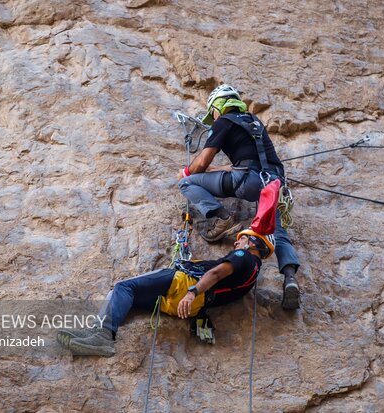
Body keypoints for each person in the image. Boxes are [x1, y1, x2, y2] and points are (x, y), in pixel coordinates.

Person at [177, 84, 301, 309]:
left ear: (218, 107)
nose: (213, 117)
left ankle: (221, 217)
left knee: (187, 183)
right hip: (273, 183)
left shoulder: (223, 121)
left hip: (247, 181)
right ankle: (290, 278)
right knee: (277, 229)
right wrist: (220, 169)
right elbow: (243, 162)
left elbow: (202, 162)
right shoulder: (254, 122)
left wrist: (187, 171)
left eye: (212, 112)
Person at [57, 229, 273, 356]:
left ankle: (102, 335)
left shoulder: (243, 256)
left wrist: (192, 292)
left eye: (242, 238)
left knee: (124, 287)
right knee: (125, 297)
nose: (237, 242)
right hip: (188, 307)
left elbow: (216, 274)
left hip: (183, 286)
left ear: (253, 243)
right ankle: (94, 335)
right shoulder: (252, 275)